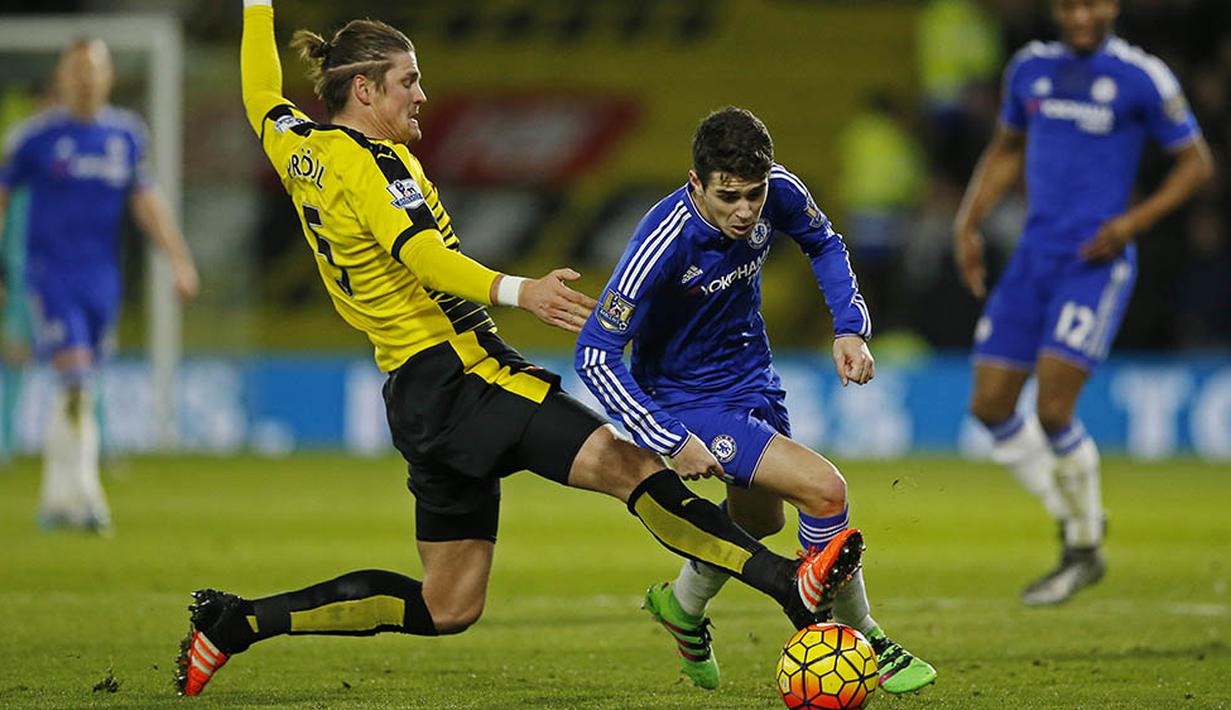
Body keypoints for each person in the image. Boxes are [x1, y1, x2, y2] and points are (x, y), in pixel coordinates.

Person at [174, 1, 866, 697]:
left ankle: (237, 624)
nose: (422, 94)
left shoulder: (300, 144)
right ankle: (786, 583)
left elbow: (260, 94)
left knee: (448, 604)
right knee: (631, 467)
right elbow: (424, 259)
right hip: (464, 373)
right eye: (408, 81)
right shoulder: (376, 169)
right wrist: (518, 291)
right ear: (365, 90)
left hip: (414, 397)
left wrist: (256, 6)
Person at [574, 107, 937, 694]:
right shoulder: (660, 243)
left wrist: (849, 327)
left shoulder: (780, 194)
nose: (745, 210)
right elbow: (595, 354)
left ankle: (682, 607)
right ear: (697, 182)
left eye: (755, 194)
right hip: (687, 399)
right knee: (825, 491)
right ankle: (868, 638)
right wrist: (669, 438)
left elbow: (824, 243)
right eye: (729, 196)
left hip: (752, 380)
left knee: (758, 520)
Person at [953, 0, 1213, 605]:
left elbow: (1196, 164)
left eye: (1090, 3)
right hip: (1031, 259)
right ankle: (1075, 521)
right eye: (1069, 4)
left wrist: (1129, 225)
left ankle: (1083, 541)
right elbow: (1007, 147)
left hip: (1093, 264)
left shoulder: (1141, 76)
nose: (1079, 15)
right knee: (990, 405)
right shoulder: (1029, 69)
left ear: (1112, 5)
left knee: (1051, 409)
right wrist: (968, 221)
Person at [0, 38, 199, 532]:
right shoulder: (34, 139)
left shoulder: (126, 135)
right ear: (63, 77)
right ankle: (87, 496)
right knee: (75, 377)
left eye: (94, 70)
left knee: (82, 385)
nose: (86, 79)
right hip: (50, 277)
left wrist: (178, 259)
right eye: (77, 70)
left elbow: (145, 202)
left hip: (101, 281)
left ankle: (56, 500)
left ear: (107, 77)